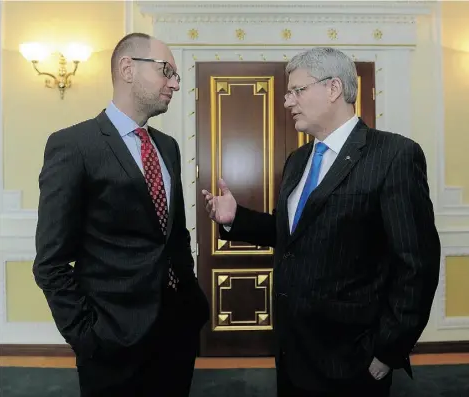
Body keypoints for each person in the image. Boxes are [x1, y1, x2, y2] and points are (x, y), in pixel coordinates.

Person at [202, 47, 440, 397]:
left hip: (353, 359)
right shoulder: (298, 160)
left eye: (297, 90)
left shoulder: (393, 155)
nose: (287, 101)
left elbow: (417, 264)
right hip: (292, 351)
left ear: (333, 89)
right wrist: (237, 219)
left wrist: (387, 351)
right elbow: (297, 235)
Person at [33, 33, 209, 397]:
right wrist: (87, 335)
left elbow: (174, 237)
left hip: (177, 332)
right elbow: (50, 262)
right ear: (127, 68)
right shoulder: (74, 145)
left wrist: (192, 308)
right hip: (111, 341)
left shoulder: (168, 147)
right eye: (167, 71)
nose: (175, 83)